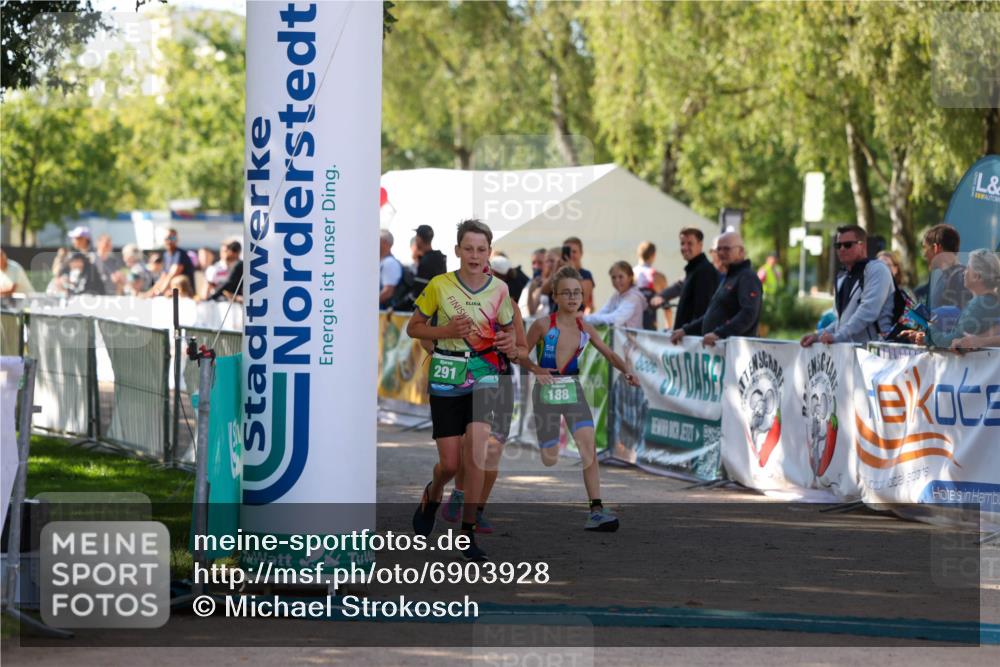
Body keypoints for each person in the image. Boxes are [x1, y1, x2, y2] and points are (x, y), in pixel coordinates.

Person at [407, 219, 516, 562]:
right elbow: (414, 328)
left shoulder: (500, 289)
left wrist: (508, 340)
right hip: (446, 375)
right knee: (450, 464)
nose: (474, 255)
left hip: (485, 373)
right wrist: (447, 329)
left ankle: (466, 533)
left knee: (476, 452)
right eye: (468, 248)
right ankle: (433, 492)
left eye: (481, 249)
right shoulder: (440, 285)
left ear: (489, 252)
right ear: (457, 250)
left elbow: (513, 333)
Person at [523, 265, 639, 531]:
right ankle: (547, 441)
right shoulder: (542, 325)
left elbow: (609, 354)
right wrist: (536, 369)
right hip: (546, 393)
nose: (574, 298)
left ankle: (596, 509)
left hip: (573, 390)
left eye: (577, 293)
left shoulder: (584, 326)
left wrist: (627, 372)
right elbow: (520, 353)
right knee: (550, 457)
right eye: (567, 293)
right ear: (555, 296)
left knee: (589, 450)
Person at [801, 224, 894, 347]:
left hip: (875, 354)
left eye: (848, 245)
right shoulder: (842, 277)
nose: (842, 249)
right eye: (838, 245)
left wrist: (837, 337)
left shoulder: (877, 270)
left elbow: (868, 312)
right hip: (847, 354)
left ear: (862, 245)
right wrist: (818, 336)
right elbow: (841, 322)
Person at [670, 230, 762, 347]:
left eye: (727, 249)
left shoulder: (747, 277)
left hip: (735, 354)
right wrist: (686, 330)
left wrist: (720, 334)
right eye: (719, 249)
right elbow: (712, 315)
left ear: (741, 251)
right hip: (720, 354)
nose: (722, 253)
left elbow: (749, 313)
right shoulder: (730, 277)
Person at [902, 249, 1000, 347]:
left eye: (968, 268)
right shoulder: (991, 301)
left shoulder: (978, 304)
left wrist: (930, 324)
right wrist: (927, 339)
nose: (964, 273)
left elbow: (950, 342)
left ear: (977, 276)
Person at [651, 227, 719, 331]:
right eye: (682, 243)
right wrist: (661, 296)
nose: (685, 247)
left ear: (700, 245)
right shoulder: (694, 269)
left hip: (693, 339)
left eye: (690, 243)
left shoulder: (704, 271)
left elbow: (703, 312)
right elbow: (679, 285)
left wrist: (686, 331)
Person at [922, 224, 971, 311]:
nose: (924, 255)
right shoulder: (944, 278)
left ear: (936, 248)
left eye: (925, 248)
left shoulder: (962, 278)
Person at [584, 261, 646, 329]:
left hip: (631, 339)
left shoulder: (634, 298)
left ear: (630, 277)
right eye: (613, 277)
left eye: (621, 277)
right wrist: (584, 318)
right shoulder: (616, 295)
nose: (617, 281)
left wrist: (585, 318)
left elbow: (615, 319)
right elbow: (603, 311)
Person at [147, 228, 195, 297]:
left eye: (172, 238)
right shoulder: (166, 255)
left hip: (185, 297)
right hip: (174, 296)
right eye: (167, 238)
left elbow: (172, 275)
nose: (169, 241)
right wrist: (151, 293)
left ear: (177, 239)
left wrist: (160, 292)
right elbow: (163, 277)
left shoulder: (180, 254)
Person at [411, 224, 448, 302]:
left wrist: (396, 307)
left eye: (417, 237)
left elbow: (417, 294)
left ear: (419, 239)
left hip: (426, 310)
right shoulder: (440, 258)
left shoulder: (425, 261)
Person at [562, 236, 595, 312]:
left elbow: (585, 300)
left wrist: (572, 272)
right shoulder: (558, 273)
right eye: (567, 251)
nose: (570, 255)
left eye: (574, 252)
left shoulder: (586, 275)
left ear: (581, 254)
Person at [527, 247, 562, 316]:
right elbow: (532, 311)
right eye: (546, 261)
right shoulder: (542, 281)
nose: (548, 264)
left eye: (552, 261)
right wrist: (530, 292)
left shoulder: (567, 279)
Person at [378, 229, 405, 308]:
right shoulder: (385, 262)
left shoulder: (389, 263)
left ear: (385, 243)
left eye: (378, 240)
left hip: (384, 314)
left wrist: (369, 304)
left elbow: (388, 292)